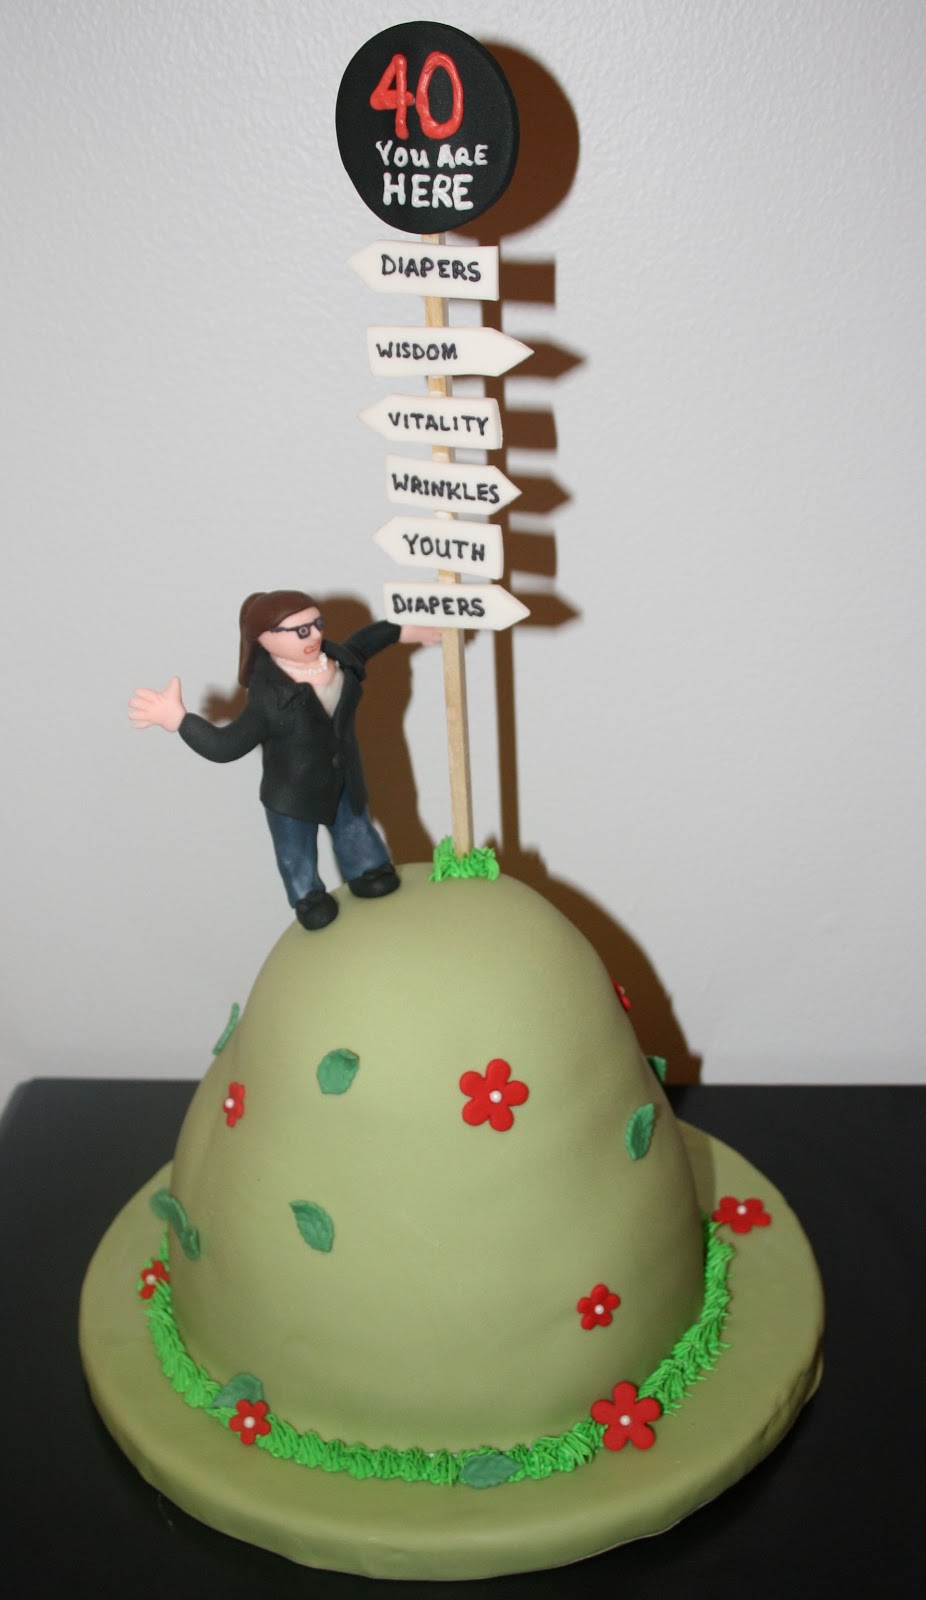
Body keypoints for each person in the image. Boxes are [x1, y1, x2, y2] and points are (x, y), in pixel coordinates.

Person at [129, 589, 439, 930]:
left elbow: (365, 642)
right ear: (263, 638)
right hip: (291, 793)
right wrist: (179, 720)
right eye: (302, 630)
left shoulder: (339, 662)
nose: (315, 635)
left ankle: (368, 869)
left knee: (355, 829)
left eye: (318, 624)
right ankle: (308, 897)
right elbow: (225, 746)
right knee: (296, 851)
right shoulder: (268, 699)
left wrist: (406, 630)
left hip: (343, 780)